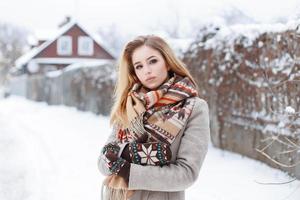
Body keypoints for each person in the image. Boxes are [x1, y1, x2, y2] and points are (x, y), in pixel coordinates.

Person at [97, 34, 210, 200]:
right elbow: (102, 163)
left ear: (167, 62)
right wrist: (128, 152)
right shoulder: (129, 105)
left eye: (153, 61)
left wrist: (128, 171)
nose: (147, 71)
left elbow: (186, 173)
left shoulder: (194, 108)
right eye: (139, 66)